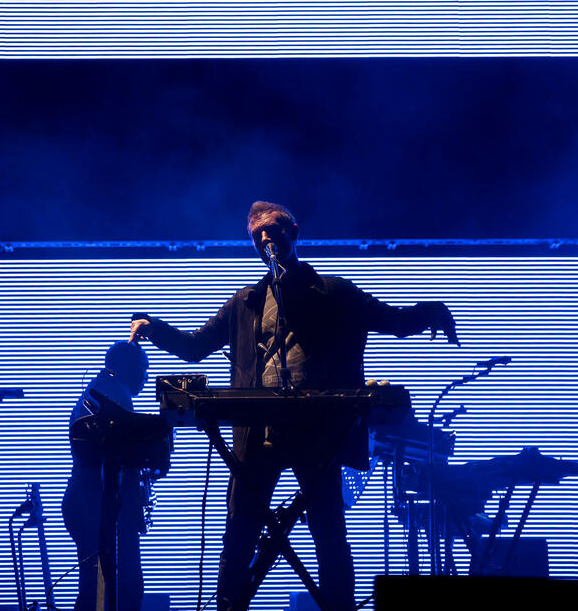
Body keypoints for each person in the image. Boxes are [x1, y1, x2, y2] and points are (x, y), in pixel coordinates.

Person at [130, 201, 458, 611]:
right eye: (257, 235)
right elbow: (196, 347)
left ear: (293, 232)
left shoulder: (334, 292)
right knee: (241, 531)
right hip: (258, 430)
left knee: (328, 531)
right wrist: (154, 328)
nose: (265, 238)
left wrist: (432, 312)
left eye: (273, 230)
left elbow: (391, 320)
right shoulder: (246, 302)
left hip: (317, 429)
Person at [61, 341, 152, 611]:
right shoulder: (115, 395)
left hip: (86, 502)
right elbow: (124, 454)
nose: (146, 377)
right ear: (126, 367)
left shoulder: (97, 390)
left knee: (95, 589)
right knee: (124, 589)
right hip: (100, 506)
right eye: (143, 368)